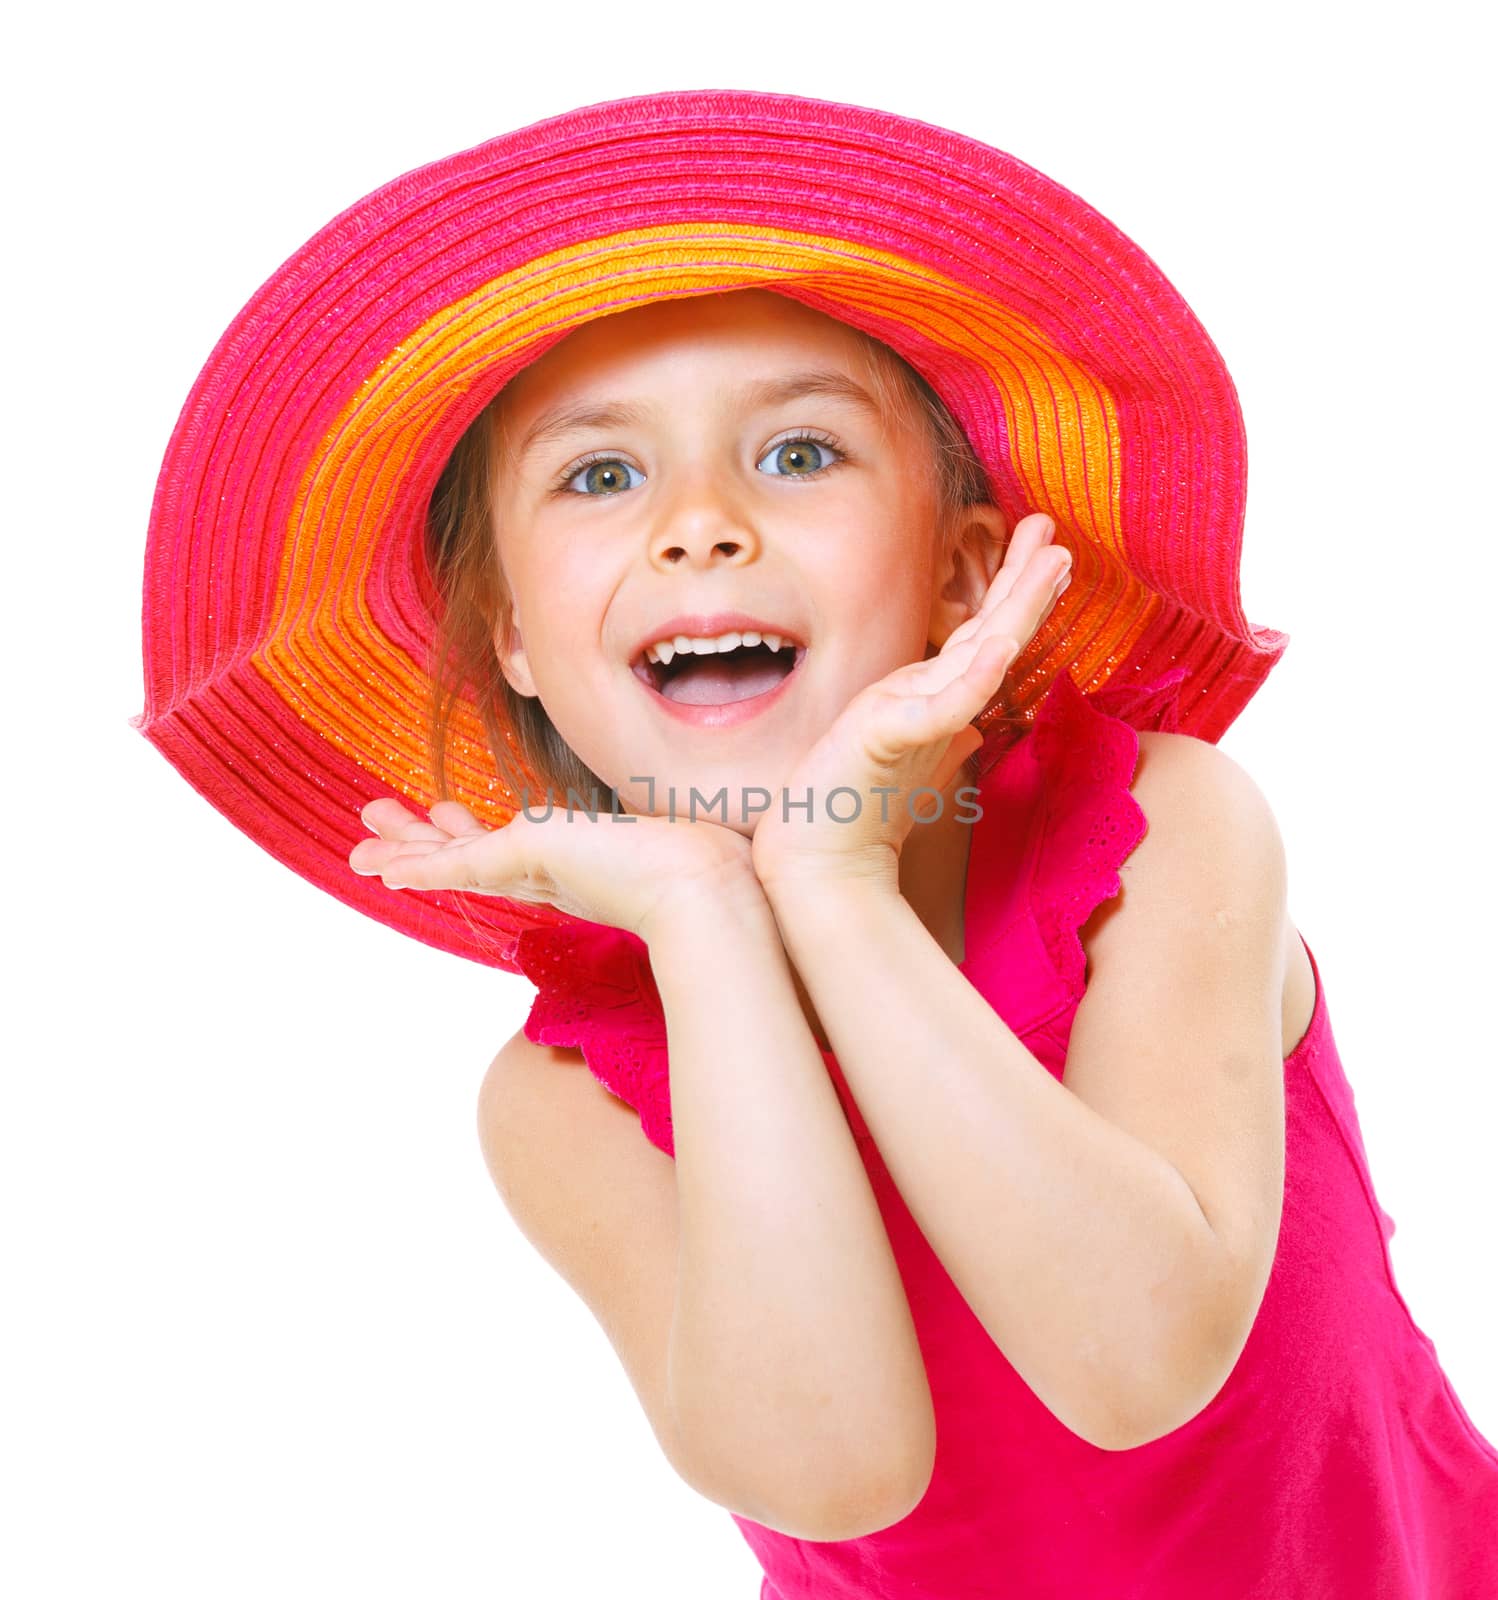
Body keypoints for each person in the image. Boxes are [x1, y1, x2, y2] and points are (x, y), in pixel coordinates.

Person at [132, 89, 1498, 1597]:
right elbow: (836, 1470)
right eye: (599, 476)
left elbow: (1136, 1360)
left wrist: (831, 879)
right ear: (516, 638)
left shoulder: (1160, 839)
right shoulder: (567, 1102)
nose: (700, 524)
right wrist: (710, 921)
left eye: (796, 456)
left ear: (962, 576)